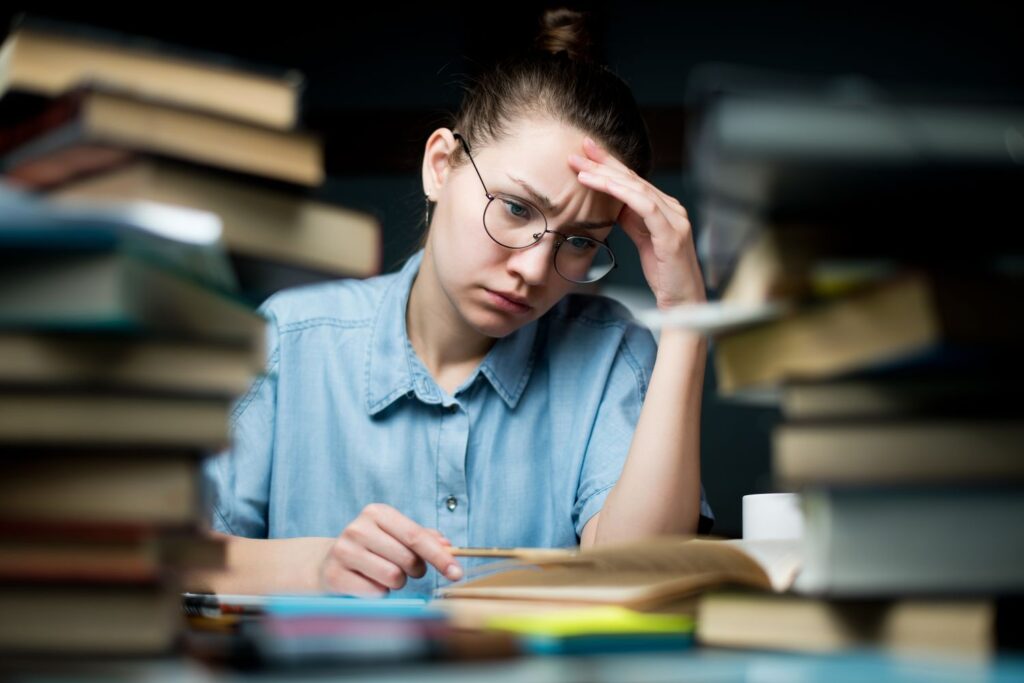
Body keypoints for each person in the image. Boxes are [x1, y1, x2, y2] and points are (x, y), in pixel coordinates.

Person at [194, 7, 714, 599]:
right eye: (517, 208)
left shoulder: (613, 355)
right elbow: (169, 557)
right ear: (440, 166)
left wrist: (686, 318)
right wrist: (317, 569)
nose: (532, 269)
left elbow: (637, 581)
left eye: (579, 243)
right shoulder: (291, 340)